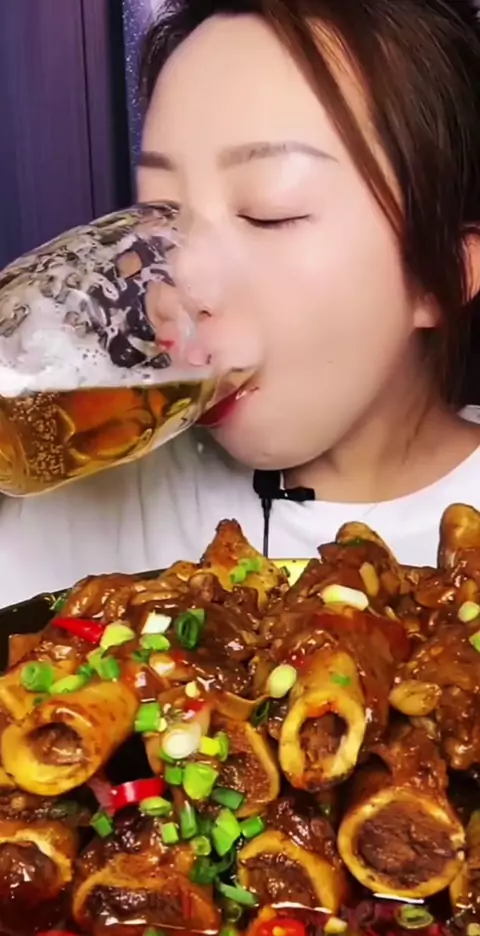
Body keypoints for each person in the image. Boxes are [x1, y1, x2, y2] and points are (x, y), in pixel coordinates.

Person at [2, 0, 480, 605]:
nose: (178, 286)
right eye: (161, 215)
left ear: (443, 276)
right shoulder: (78, 497)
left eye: (265, 213)